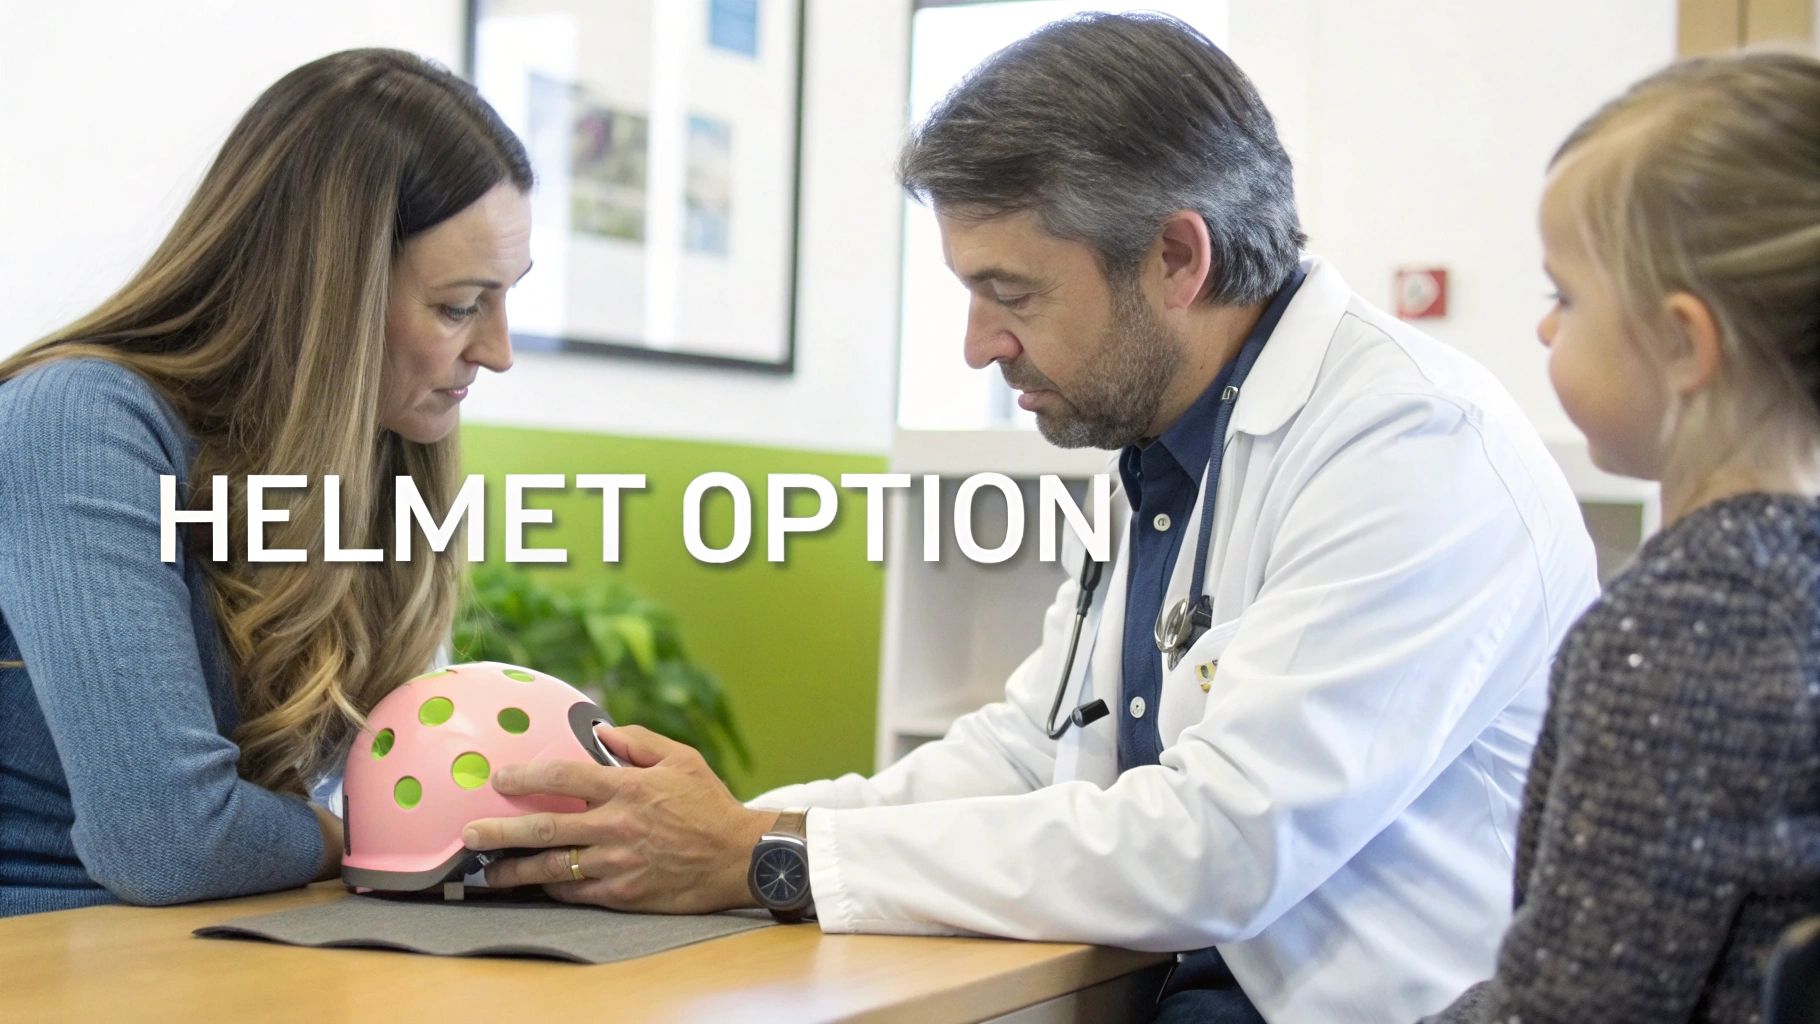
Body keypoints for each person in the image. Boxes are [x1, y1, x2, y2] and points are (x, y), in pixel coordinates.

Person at [460, 15, 1598, 1022]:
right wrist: (707, 827)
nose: (977, 344)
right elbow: (1032, 749)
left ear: (1174, 258)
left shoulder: (1406, 446)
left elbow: (1226, 842)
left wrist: (760, 855)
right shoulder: (1159, 443)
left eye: (1010, 294)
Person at [0, 48, 532, 916]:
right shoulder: (75, 423)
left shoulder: (377, 454)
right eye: (460, 305)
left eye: (507, 298)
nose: (498, 353)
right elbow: (167, 842)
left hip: (243, 942)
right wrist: (347, 840)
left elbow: (401, 788)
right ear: (334, 292)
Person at [1425, 51, 1820, 1023]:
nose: (1544, 331)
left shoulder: (1683, 634)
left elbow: (1571, 1007)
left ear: (1682, 342)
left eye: (1564, 296)